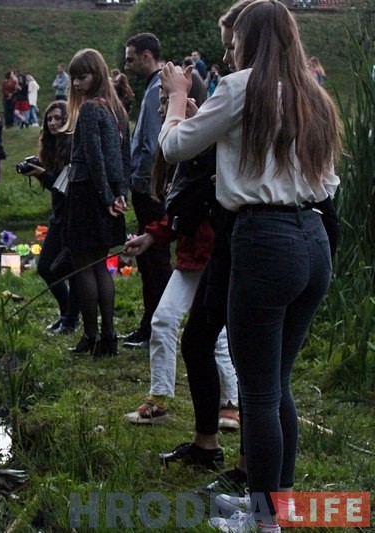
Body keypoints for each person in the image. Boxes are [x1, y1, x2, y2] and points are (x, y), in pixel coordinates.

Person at [158, 1, 341, 531]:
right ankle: (273, 506)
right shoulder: (315, 96)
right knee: (277, 384)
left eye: (235, 37)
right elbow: (329, 184)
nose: (230, 47)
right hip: (313, 242)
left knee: (260, 392)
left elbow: (174, 147)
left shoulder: (240, 87)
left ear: (252, 39)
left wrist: (175, 99)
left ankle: (263, 522)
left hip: (264, 242)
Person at [122, 89, 237, 427]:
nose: (162, 111)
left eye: (167, 102)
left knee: (217, 335)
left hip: (217, 255)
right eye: (160, 104)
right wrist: (151, 236)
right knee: (164, 320)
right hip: (190, 257)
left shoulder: (213, 146)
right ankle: (158, 400)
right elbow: (182, 211)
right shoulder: (180, 154)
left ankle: (231, 403)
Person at [62, 48, 130, 356]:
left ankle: (91, 334)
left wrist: (105, 198)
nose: (76, 84)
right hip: (110, 193)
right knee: (100, 264)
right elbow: (124, 160)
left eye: (82, 76)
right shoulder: (118, 110)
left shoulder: (90, 109)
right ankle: (109, 337)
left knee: (83, 265)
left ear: (97, 75)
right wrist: (119, 196)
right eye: (73, 78)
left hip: (89, 192)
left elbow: (94, 157)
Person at [123, 32, 172, 349]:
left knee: (154, 259)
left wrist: (155, 184)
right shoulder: (153, 87)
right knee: (150, 258)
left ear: (146, 56)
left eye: (130, 58)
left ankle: (156, 326)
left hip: (149, 187)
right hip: (144, 183)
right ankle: (152, 323)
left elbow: (157, 143)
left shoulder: (157, 89)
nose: (127, 66)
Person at [19, 100, 80, 335]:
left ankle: (71, 320)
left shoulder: (73, 145)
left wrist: (44, 174)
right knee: (45, 267)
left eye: (58, 118)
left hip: (73, 215)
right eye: (50, 119)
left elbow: (66, 184)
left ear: (67, 120)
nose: (53, 123)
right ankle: (66, 313)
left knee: (71, 269)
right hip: (58, 214)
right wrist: (39, 173)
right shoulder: (50, 145)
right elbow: (55, 184)